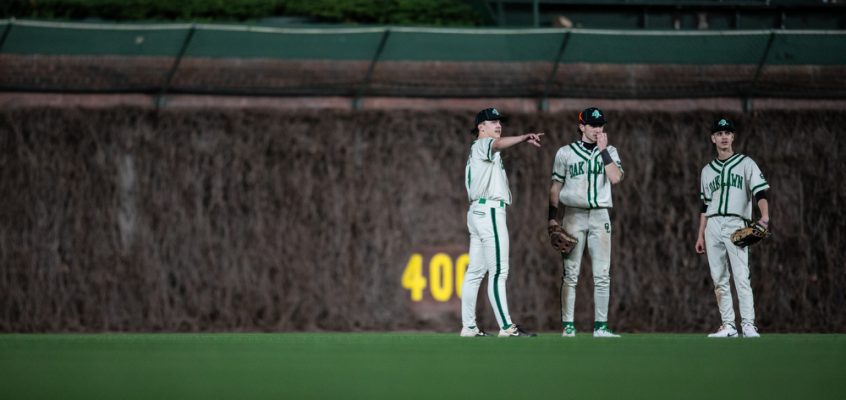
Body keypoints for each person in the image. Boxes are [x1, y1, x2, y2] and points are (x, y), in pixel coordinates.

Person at [460, 107, 543, 338]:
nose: (498, 125)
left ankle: (469, 326)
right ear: (481, 127)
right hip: (489, 213)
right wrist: (524, 137)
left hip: (477, 212)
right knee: (499, 272)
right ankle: (507, 327)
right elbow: (496, 144)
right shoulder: (482, 145)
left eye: (499, 121)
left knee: (475, 272)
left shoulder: (481, 151)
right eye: (492, 121)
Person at [547, 107, 624, 338]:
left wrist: (603, 152)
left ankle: (600, 326)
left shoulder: (609, 151)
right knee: (571, 273)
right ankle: (568, 325)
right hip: (573, 215)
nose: (597, 129)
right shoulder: (565, 153)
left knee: (602, 274)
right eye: (592, 125)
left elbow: (616, 178)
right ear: (581, 126)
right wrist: (552, 217)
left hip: (600, 215)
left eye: (600, 125)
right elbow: (555, 187)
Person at [695, 118, 770, 338]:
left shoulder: (746, 163)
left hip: (737, 224)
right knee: (719, 278)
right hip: (713, 224)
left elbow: (760, 193)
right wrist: (700, 234)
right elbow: (704, 205)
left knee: (741, 275)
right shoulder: (707, 171)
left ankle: (748, 324)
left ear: (733, 137)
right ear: (713, 138)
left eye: (727, 132)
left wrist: (764, 216)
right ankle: (728, 325)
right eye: (719, 133)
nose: (724, 136)